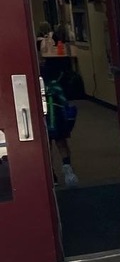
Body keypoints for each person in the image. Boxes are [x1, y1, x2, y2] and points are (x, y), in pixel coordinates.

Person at [38, 22, 79, 186]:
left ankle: (52, 173)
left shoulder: (41, 68)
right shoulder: (61, 62)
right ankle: (66, 169)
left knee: (48, 141)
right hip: (57, 103)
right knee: (60, 140)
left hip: (46, 104)